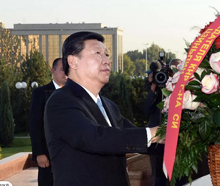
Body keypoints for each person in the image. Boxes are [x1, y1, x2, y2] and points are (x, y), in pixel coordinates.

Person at [44, 31, 162, 186]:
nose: (106, 60)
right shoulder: (61, 101)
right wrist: (153, 133)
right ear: (73, 61)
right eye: (97, 53)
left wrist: (180, 136)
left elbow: (134, 137)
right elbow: (93, 138)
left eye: (107, 55)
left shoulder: (108, 105)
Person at [29, 57, 67, 186]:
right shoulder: (40, 93)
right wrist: (39, 153)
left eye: (68, 69)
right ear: (53, 71)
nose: (65, 73)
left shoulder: (75, 94)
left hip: (71, 156)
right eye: (62, 69)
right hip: (48, 155)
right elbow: (35, 125)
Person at [144, 59, 182, 186]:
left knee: (178, 178)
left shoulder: (185, 88)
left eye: (177, 70)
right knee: (158, 178)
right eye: (172, 70)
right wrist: (153, 87)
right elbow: (146, 109)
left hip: (178, 142)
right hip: (157, 143)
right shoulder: (159, 89)